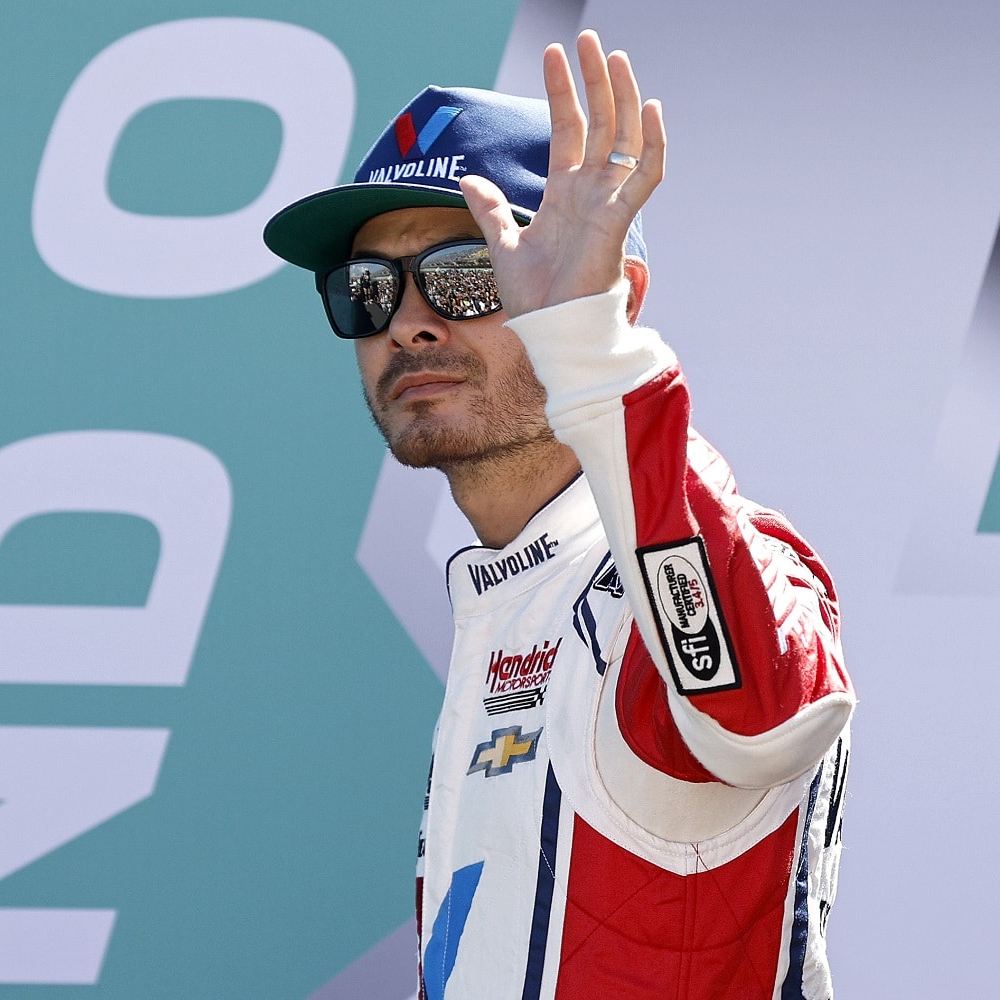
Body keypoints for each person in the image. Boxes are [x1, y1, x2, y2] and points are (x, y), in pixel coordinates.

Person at [264, 31, 854, 1000]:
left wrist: (593, 348)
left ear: (614, 293)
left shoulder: (712, 567)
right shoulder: (505, 596)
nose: (409, 321)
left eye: (470, 273)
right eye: (369, 289)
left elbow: (773, 719)